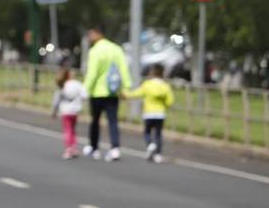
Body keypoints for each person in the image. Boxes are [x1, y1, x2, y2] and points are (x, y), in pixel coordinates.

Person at [83, 25, 132, 161]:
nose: (89, 38)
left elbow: (92, 73)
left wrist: (85, 89)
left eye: (90, 34)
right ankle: (115, 148)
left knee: (95, 121)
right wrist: (126, 87)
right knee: (113, 121)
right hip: (112, 91)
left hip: (97, 92)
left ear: (96, 34)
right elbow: (123, 68)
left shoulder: (95, 51)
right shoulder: (116, 49)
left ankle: (94, 147)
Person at [125, 63, 176, 163]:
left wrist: (125, 94)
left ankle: (150, 144)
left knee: (147, 132)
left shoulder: (147, 85)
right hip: (160, 114)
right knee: (158, 134)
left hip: (148, 113)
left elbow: (136, 93)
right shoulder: (165, 86)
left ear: (152, 73)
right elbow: (170, 102)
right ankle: (158, 155)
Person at [51, 67, 87, 159]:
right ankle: (74, 148)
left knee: (68, 130)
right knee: (73, 129)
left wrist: (54, 111)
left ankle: (68, 148)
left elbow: (56, 100)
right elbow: (85, 95)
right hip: (75, 111)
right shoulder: (77, 84)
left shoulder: (62, 85)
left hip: (65, 111)